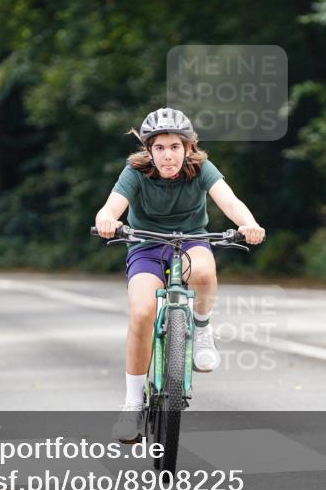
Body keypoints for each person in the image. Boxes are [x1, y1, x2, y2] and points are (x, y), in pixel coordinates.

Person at [94, 107, 265, 442]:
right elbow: (112, 207)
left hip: (191, 241)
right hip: (146, 246)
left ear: (188, 147)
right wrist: (107, 221)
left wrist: (248, 223)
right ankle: (131, 404)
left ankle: (201, 330)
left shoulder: (201, 169)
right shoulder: (135, 172)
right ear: (149, 150)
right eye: (159, 148)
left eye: (175, 146)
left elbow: (229, 202)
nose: (167, 155)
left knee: (203, 270)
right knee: (142, 314)